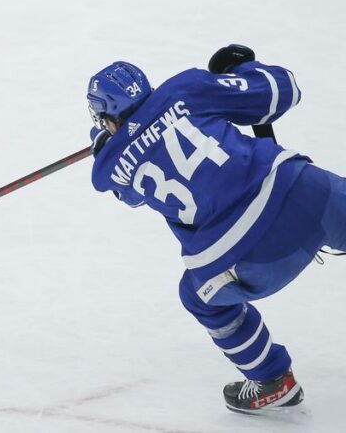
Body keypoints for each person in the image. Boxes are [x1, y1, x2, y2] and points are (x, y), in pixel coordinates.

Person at [86, 45, 346, 414]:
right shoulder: (184, 90)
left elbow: (126, 188)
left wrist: (106, 147)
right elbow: (283, 90)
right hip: (307, 195)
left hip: (247, 259)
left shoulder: (108, 169)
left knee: (197, 297)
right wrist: (244, 69)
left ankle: (272, 379)